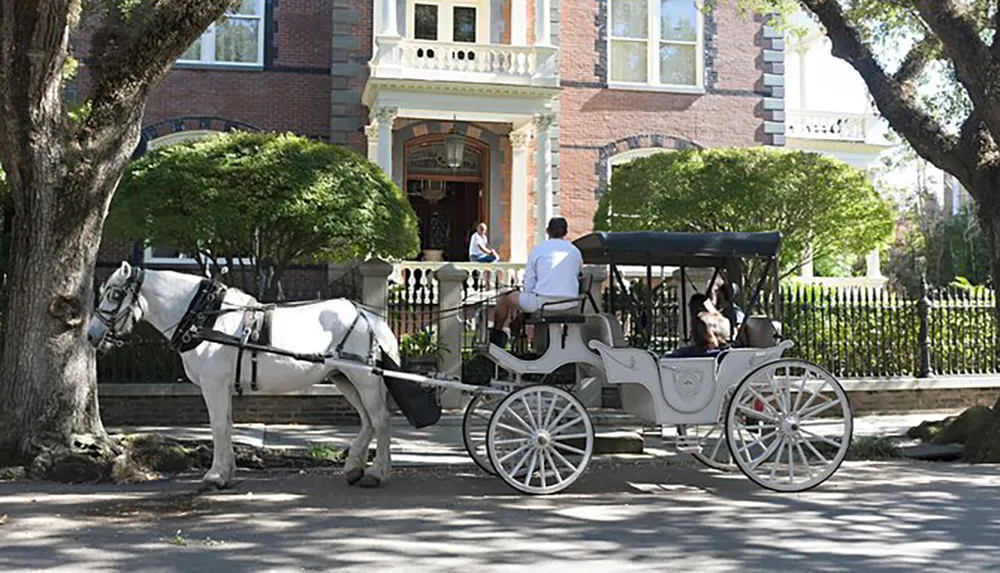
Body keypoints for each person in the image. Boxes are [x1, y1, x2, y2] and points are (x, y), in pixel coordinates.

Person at [489, 217, 582, 347]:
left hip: (543, 303)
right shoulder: (575, 251)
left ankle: (496, 337)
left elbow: (529, 282)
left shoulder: (538, 249)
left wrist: (526, 300)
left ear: (547, 231)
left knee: (504, 297)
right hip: (570, 304)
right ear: (566, 232)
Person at [667, 293, 731, 358]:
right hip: (718, 350)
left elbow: (711, 341)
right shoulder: (720, 318)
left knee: (671, 356)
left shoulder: (702, 318)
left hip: (705, 352)